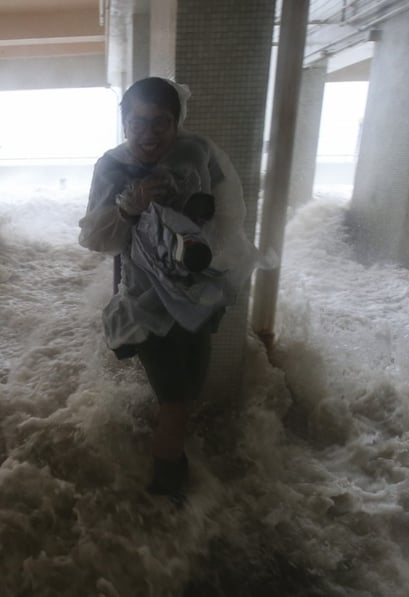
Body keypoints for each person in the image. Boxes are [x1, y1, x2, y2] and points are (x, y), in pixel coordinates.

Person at [79, 77, 255, 503]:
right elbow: (95, 239)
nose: (149, 134)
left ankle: (166, 457)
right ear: (124, 122)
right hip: (146, 305)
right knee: (175, 403)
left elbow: (228, 215)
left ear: (177, 123)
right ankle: (165, 494)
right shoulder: (111, 167)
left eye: (161, 122)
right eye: (138, 122)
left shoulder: (198, 152)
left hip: (199, 296)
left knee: (191, 390)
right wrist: (128, 207)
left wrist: (198, 215)